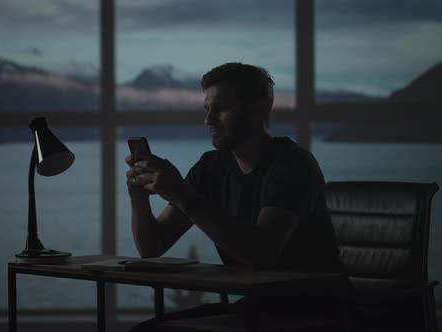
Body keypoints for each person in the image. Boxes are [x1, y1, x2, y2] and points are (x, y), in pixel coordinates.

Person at [125, 63, 344, 331]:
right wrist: (139, 198)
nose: (209, 120)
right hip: (257, 308)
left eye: (222, 108)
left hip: (314, 312)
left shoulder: (293, 165)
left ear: (259, 109)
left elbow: (261, 253)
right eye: (208, 109)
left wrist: (183, 195)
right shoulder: (211, 167)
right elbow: (152, 247)